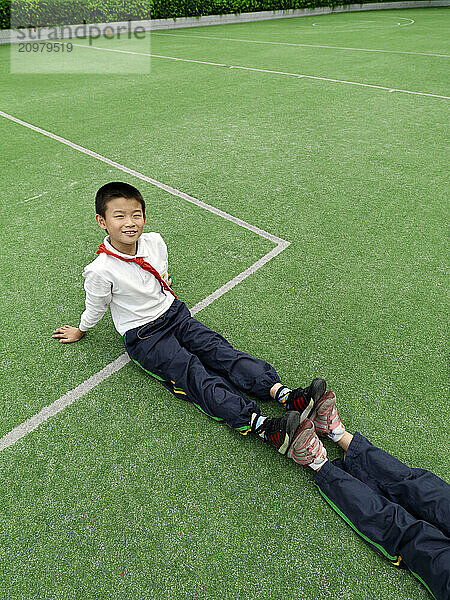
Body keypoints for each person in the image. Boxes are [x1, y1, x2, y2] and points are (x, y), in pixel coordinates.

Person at [52, 182, 449, 599]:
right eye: (120, 216)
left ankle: (283, 395)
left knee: (222, 351)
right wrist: (82, 328)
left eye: (136, 214)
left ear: (145, 216)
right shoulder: (100, 270)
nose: (130, 222)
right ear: (102, 222)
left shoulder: (154, 242)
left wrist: (165, 294)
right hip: (145, 337)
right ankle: (265, 427)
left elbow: (162, 277)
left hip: (175, 314)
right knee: (196, 376)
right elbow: (97, 304)